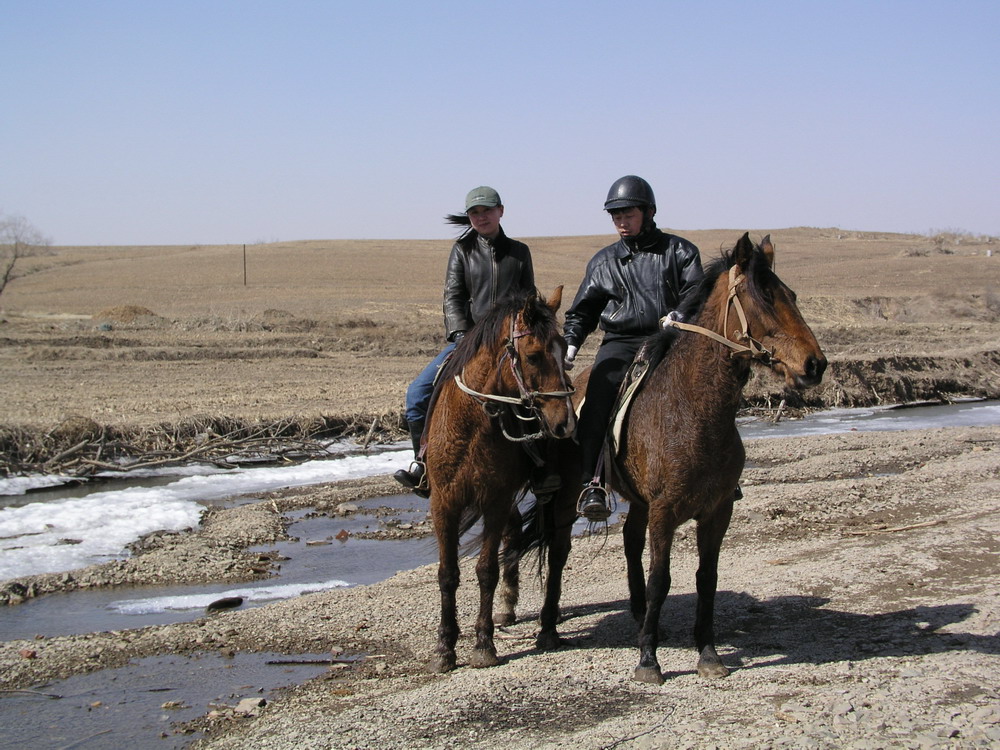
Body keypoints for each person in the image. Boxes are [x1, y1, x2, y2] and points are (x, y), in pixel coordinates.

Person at [563, 175, 705, 521]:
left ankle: (720, 472)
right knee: (597, 396)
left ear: (649, 212)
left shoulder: (681, 251)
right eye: (616, 216)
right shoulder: (603, 262)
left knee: (710, 387)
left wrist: (680, 314)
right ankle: (591, 482)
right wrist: (570, 343)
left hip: (672, 338)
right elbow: (583, 310)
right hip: (621, 342)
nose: (622, 222)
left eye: (628, 214)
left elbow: (697, 294)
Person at [394, 186, 536, 493]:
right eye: (475, 213)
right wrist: (460, 335)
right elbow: (453, 296)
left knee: (542, 393)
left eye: (486, 211)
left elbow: (528, 300)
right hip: (468, 341)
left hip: (511, 342)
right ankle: (423, 465)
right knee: (417, 394)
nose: (481, 217)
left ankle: (541, 467)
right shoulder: (462, 250)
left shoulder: (519, 252)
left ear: (501, 210)